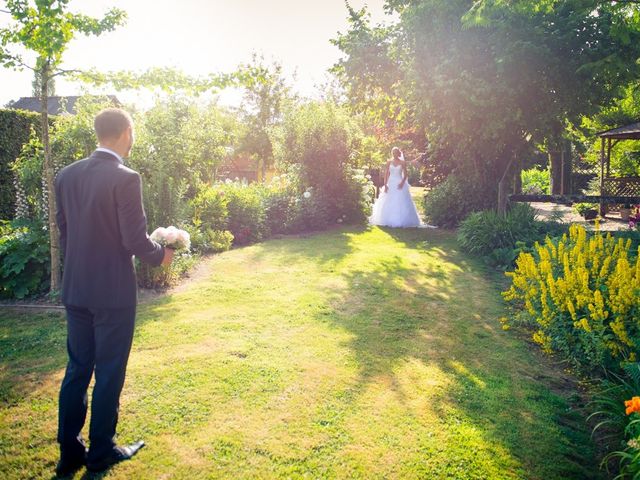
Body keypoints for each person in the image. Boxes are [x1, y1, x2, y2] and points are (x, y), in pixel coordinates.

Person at [54, 108, 174, 476]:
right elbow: (133, 239)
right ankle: (102, 451)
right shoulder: (126, 177)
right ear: (126, 132)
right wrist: (160, 255)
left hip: (76, 288)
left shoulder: (65, 175)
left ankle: (70, 452)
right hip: (112, 295)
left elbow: (64, 230)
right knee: (108, 371)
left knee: (77, 368)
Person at [369, 147, 422, 228]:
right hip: (390, 183)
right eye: (393, 153)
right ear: (392, 154)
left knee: (400, 200)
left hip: (399, 182)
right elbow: (386, 174)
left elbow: (405, 175)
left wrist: (402, 183)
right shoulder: (389, 162)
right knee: (388, 200)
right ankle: (387, 219)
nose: (394, 154)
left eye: (396, 153)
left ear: (398, 153)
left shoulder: (402, 162)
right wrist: (385, 184)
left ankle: (400, 220)